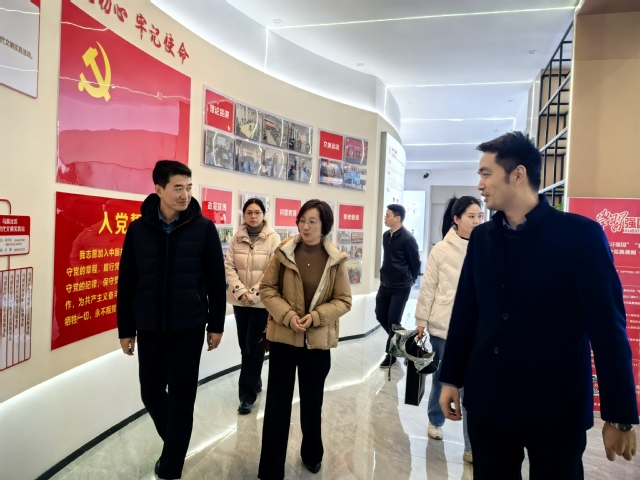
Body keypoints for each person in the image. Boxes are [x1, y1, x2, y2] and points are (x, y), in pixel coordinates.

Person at [439, 132, 638, 480]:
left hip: (556, 406)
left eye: (486, 173)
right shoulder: (483, 238)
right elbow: (466, 313)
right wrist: (451, 378)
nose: (480, 184)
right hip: (490, 402)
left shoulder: (580, 236)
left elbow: (608, 327)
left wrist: (619, 415)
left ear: (517, 174)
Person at [117, 160, 227, 480]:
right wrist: (126, 329)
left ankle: (171, 466)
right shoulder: (138, 230)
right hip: (149, 327)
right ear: (159, 189)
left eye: (189, 188)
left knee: (181, 398)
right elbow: (127, 282)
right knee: (151, 393)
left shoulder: (203, 228)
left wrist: (216, 324)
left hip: (188, 327)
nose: (185, 195)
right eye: (178, 188)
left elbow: (215, 279)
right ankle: (176, 443)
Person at [258, 199, 352, 479]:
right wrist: (288, 316)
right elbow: (267, 289)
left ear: (324, 225)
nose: (306, 226)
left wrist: (317, 316)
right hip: (284, 340)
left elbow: (344, 300)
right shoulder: (284, 251)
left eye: (313, 221)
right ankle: (271, 468)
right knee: (277, 405)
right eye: (302, 220)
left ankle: (312, 454)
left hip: (317, 344)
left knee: (312, 403)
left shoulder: (335, 259)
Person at [414, 196, 483, 464]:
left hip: (477, 328)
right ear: (456, 219)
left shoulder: (485, 245)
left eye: (479, 216)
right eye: (471, 216)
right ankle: (435, 420)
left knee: (471, 387)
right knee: (443, 378)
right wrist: (421, 320)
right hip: (444, 326)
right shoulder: (441, 249)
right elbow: (428, 287)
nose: (477, 221)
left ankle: (471, 445)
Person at [225, 198, 280, 415]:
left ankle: (246, 396)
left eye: (257, 212)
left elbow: (272, 270)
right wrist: (241, 292)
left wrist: (254, 294)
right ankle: (255, 380)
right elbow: (229, 266)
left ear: (263, 214)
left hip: (261, 303)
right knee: (244, 345)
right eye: (249, 212)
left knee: (253, 347)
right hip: (240, 301)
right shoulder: (236, 237)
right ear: (244, 215)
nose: (253, 216)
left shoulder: (273, 238)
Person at [376, 204, 421, 368]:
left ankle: (391, 356)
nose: (385, 218)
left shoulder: (408, 238)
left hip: (401, 287)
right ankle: (405, 340)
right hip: (385, 284)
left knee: (394, 322)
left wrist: (411, 279)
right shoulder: (386, 235)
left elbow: (415, 262)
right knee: (380, 315)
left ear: (397, 218)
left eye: (388, 215)